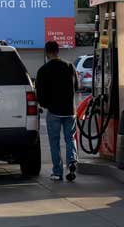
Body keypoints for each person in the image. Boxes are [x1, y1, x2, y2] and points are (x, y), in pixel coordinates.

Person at [36, 40, 79, 182]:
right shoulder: (69, 66)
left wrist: (45, 104)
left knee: (54, 142)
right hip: (70, 111)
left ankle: (57, 172)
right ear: (57, 51)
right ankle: (72, 162)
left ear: (47, 52)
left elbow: (40, 93)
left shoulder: (43, 70)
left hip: (54, 111)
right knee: (70, 139)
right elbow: (77, 86)